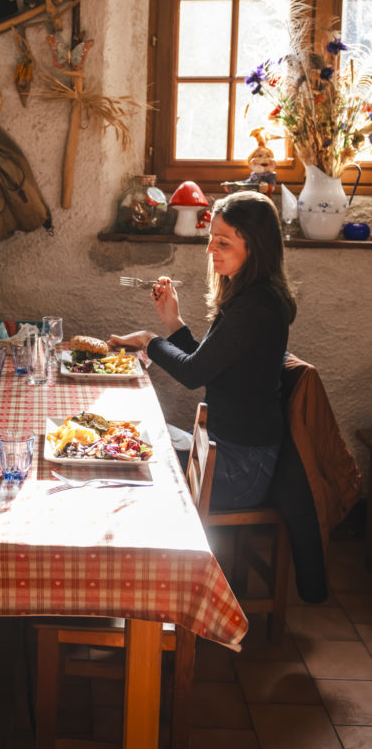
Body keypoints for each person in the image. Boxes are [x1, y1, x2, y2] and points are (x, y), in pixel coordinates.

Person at [110, 190, 297, 510]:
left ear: (256, 248)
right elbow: (208, 363)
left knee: (124, 463)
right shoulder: (248, 297)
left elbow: (193, 373)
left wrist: (147, 339)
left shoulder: (256, 306)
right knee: (122, 437)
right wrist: (173, 320)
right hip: (222, 450)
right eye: (212, 239)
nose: (211, 249)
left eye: (223, 242)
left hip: (240, 469)